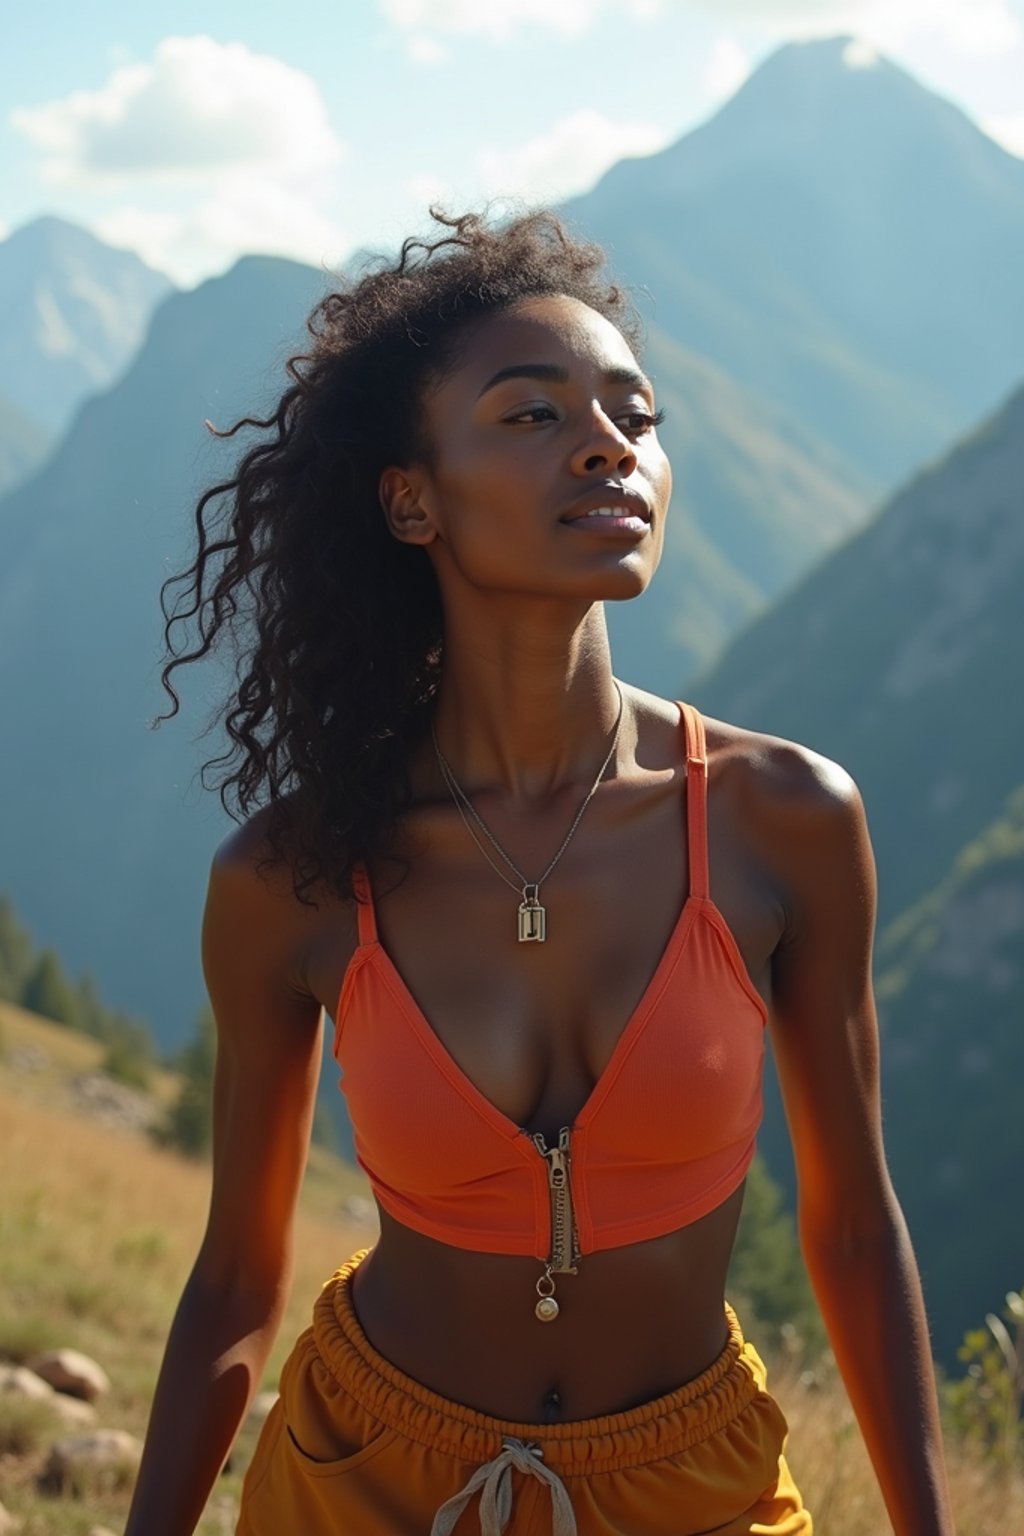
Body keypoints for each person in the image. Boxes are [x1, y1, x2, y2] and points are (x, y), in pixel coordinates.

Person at [124, 210, 954, 1536]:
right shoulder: (291, 876)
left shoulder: (783, 820)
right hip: (367, 1481)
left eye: (635, 410)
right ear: (412, 497)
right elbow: (234, 1276)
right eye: (530, 414)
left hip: (698, 1489)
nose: (608, 442)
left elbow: (856, 1231)